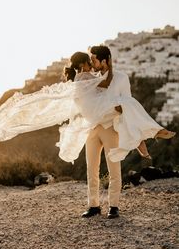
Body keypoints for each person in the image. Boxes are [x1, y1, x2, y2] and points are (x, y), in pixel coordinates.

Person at [64, 47, 175, 218]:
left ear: (105, 60)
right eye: (90, 60)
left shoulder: (121, 78)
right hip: (92, 128)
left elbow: (126, 104)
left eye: (94, 59)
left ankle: (113, 206)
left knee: (114, 168)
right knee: (91, 169)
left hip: (110, 127)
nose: (92, 63)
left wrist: (119, 112)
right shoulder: (91, 78)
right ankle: (93, 206)